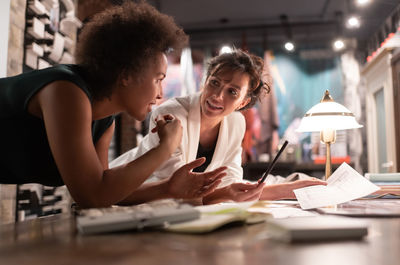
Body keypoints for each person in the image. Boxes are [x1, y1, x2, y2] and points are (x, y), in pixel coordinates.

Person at [0, 1, 227, 208]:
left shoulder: (104, 121)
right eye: (158, 79)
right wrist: (165, 148)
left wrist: (167, 188)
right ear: (126, 74)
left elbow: (106, 191)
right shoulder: (66, 91)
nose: (160, 94)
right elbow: (92, 195)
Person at [110, 49, 326, 205]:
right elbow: (176, 187)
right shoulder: (171, 114)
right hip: (124, 190)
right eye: (214, 83)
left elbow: (231, 178)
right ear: (205, 81)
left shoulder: (236, 122)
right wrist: (277, 191)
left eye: (232, 91)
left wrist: (281, 190)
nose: (217, 96)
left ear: (242, 102)